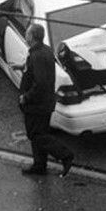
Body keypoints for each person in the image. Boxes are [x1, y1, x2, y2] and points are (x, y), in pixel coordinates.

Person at [19, 23, 75, 176]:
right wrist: (22, 68)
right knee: (39, 133)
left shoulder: (37, 55)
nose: (25, 35)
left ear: (31, 37)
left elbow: (41, 83)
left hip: (37, 104)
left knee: (36, 135)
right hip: (44, 102)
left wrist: (26, 97)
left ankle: (65, 155)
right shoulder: (44, 51)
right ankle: (39, 165)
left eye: (27, 33)